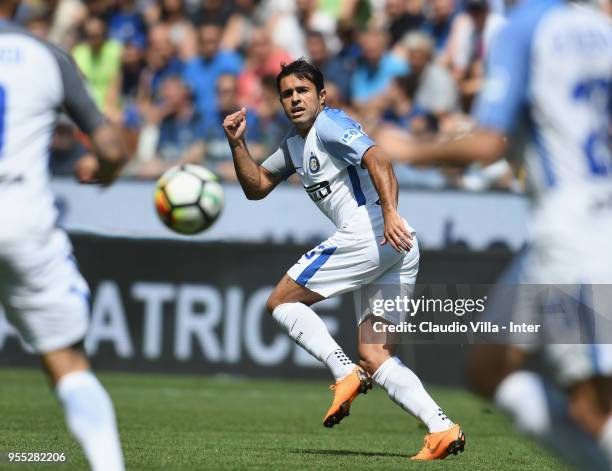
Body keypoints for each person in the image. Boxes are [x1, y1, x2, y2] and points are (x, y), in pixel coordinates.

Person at [379, 0, 612, 466]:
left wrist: (408, 148)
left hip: (573, 233)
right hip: (571, 226)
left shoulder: (523, 28)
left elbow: (489, 142)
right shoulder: (600, 27)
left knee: (592, 407)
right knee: (487, 368)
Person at [222, 58, 465, 461]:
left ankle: (343, 371)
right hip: (398, 244)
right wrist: (237, 144)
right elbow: (257, 186)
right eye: (287, 94)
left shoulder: (330, 125)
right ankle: (442, 428)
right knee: (375, 353)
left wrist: (388, 213)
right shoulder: (293, 145)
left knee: (280, 302)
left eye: (302, 91)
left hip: (373, 231)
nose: (295, 99)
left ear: (321, 96)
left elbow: (379, 159)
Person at [0, 1, 128, 470]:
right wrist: (106, 171)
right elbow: (111, 146)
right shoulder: (46, 56)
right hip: (20, 220)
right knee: (68, 363)